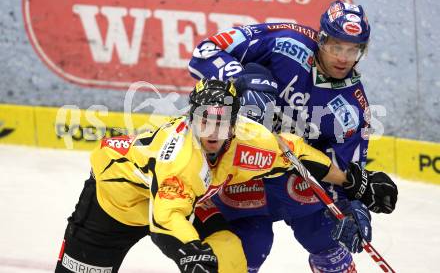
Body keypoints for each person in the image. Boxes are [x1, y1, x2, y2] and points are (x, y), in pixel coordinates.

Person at [55, 78, 369, 273]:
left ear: (235, 123)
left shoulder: (251, 139)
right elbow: (166, 219)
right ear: (191, 120)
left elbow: (296, 152)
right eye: (204, 121)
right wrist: (191, 252)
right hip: (116, 204)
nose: (211, 132)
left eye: (221, 123)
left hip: (187, 203)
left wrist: (351, 181)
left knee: (229, 256)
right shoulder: (181, 158)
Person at [188, 0, 398, 272]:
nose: (344, 58)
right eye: (336, 46)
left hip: (295, 174)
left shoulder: (354, 108)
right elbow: (206, 51)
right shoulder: (285, 42)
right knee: (250, 246)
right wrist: (240, 82)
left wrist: (353, 207)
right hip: (242, 168)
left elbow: (346, 171)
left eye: (353, 49)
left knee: (325, 237)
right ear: (322, 39)